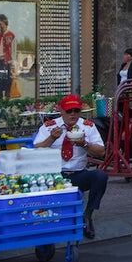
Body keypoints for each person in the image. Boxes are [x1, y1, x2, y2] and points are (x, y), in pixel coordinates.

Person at [33, 94, 107, 239]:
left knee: (100, 176)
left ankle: (87, 215)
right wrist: (52, 138)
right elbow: (36, 150)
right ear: (61, 110)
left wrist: (84, 144)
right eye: (69, 111)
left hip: (77, 174)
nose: (73, 114)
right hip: (55, 176)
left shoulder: (87, 126)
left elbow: (101, 151)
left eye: (76, 111)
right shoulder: (50, 126)